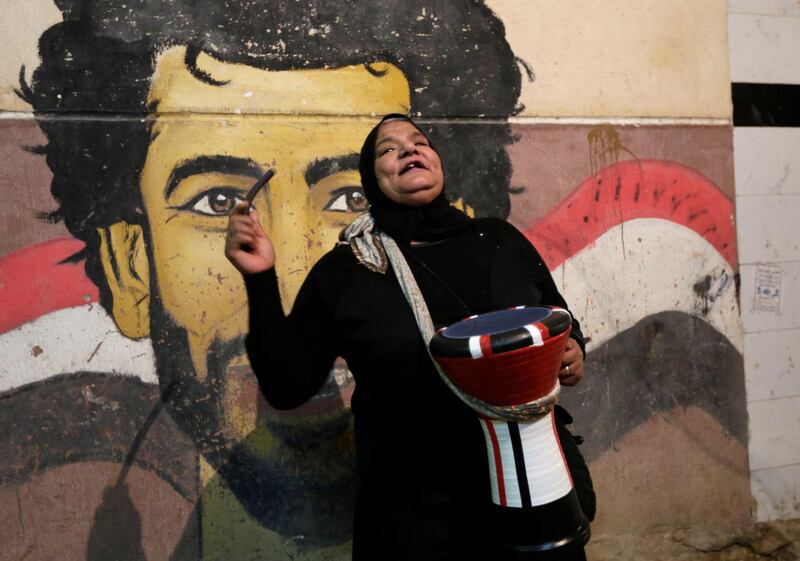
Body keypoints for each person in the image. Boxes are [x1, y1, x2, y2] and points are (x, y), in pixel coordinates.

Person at [12, 1, 524, 555]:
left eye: (352, 199)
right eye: (217, 199)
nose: (296, 279)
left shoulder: (491, 255)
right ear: (128, 267)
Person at [226, 114, 594, 560]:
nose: (408, 150)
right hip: (413, 513)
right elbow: (287, 387)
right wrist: (260, 280)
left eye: (419, 141)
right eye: (388, 149)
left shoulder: (498, 241)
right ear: (371, 180)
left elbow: (559, 322)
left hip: (531, 485)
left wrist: (572, 351)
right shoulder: (349, 271)